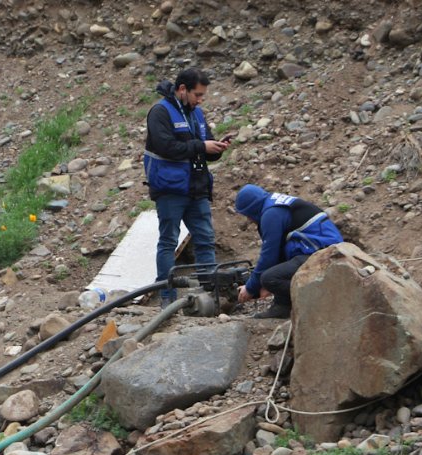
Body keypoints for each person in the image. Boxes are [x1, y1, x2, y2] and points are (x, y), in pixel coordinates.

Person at [144, 68, 231, 306]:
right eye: (197, 94)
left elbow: (202, 150)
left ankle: (208, 293)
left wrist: (216, 148)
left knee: (205, 238)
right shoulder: (160, 112)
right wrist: (202, 146)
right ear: (182, 89)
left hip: (196, 188)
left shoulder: (197, 114)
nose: (200, 100)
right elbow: (166, 147)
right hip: (170, 189)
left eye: (203, 95)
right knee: (169, 241)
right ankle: (167, 297)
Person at [233, 184, 344, 319]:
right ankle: (282, 307)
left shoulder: (271, 214)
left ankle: (318, 300)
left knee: (270, 278)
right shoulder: (273, 205)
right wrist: (262, 285)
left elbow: (269, 256)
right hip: (319, 248)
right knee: (271, 276)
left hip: (323, 252)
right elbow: (279, 252)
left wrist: (250, 288)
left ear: (252, 209)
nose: (249, 220)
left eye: (247, 215)